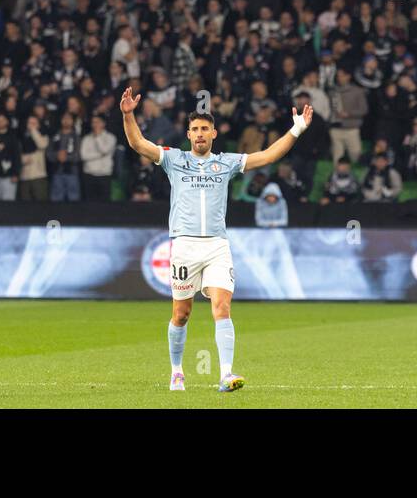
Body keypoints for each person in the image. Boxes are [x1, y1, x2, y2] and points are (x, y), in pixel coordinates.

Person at [120, 86, 313, 393]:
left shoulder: (226, 162)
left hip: (216, 246)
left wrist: (297, 128)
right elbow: (138, 143)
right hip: (183, 246)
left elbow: (267, 156)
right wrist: (128, 114)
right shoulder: (173, 159)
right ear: (188, 134)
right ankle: (177, 371)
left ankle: (225, 374)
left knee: (222, 307)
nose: (199, 134)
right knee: (181, 315)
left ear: (213, 134)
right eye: (195, 129)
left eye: (204, 129)